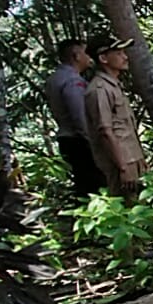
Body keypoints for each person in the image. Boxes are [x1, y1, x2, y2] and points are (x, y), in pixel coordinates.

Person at [83, 35, 148, 196]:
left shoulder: (114, 86)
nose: (125, 57)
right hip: (122, 161)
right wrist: (123, 167)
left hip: (133, 157)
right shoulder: (99, 90)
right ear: (103, 58)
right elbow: (105, 131)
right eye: (118, 53)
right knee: (129, 209)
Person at [45, 39, 104, 196]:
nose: (89, 57)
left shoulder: (55, 78)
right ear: (76, 56)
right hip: (79, 141)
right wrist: (94, 142)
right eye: (85, 53)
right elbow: (79, 115)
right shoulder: (72, 80)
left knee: (83, 184)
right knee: (95, 186)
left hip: (68, 139)